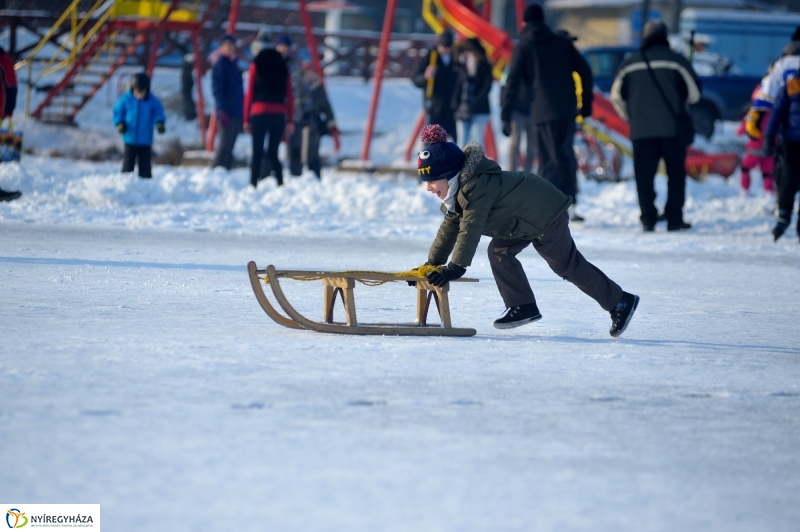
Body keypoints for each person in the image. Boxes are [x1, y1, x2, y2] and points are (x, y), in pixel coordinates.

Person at [416, 124, 640, 337]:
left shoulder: (476, 188)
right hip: (520, 220)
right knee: (499, 252)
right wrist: (433, 263)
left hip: (545, 212)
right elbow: (450, 227)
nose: (428, 187)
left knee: (566, 265)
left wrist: (456, 267)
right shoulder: (459, 192)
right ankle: (522, 306)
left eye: (433, 180)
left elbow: (470, 228)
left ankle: (620, 302)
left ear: (451, 174)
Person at [500, 4, 593, 221]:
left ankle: (551, 208)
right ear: (543, 21)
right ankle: (571, 204)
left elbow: (511, 82)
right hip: (567, 109)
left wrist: (506, 114)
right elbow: (585, 70)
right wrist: (585, 104)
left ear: (524, 23)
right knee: (566, 155)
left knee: (548, 159)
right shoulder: (562, 43)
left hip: (542, 110)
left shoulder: (524, 46)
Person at [610, 20, 701, 232]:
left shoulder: (630, 63)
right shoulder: (676, 61)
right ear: (665, 36)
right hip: (672, 131)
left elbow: (616, 96)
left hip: (641, 131)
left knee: (644, 177)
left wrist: (630, 116)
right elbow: (695, 95)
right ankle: (674, 219)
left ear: (645, 37)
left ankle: (648, 219)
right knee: (676, 176)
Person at [244, 31, 294, 188]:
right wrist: (290, 120)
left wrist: (246, 118)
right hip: (279, 114)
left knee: (257, 151)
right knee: (273, 152)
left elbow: (250, 93)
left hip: (260, 111)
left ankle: (253, 184)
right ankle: (280, 183)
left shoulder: (255, 63)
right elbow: (290, 96)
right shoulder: (283, 65)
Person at [287, 49, 336, 179]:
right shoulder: (296, 85)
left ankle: (314, 177)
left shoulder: (317, 86)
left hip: (313, 125)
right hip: (297, 122)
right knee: (295, 150)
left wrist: (332, 124)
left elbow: (326, 106)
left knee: (312, 153)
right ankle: (295, 176)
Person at [764, 70, 800, 242]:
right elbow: (777, 111)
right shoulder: (792, 85)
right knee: (787, 182)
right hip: (791, 144)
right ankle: (784, 216)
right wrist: (769, 135)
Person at [112, 73, 166, 179]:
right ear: (133, 89)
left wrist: (159, 122)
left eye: (142, 92)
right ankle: (126, 182)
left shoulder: (152, 101)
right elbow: (117, 113)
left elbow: (158, 113)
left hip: (145, 139)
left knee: (145, 165)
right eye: (137, 92)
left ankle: (146, 184)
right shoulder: (125, 100)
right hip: (130, 139)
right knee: (128, 163)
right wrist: (119, 124)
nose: (139, 94)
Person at [412, 30, 459, 142]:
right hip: (435, 106)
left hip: (453, 106)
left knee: (457, 141)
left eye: (448, 47)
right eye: (444, 47)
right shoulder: (430, 57)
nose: (446, 50)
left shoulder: (456, 58)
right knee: (433, 140)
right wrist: (425, 76)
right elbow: (415, 78)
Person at [736, 64, 776, 196]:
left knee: (745, 168)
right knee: (767, 173)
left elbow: (742, 129)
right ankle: (768, 193)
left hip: (753, 148)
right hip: (769, 148)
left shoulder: (754, 112)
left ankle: (744, 191)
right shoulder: (775, 113)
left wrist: (740, 131)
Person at [452, 37, 493, 148]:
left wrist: (475, 103)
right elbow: (458, 88)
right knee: (462, 141)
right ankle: (461, 165)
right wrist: (455, 105)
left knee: (477, 141)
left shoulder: (484, 66)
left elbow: (486, 87)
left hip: (480, 109)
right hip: (462, 110)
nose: (466, 54)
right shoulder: (461, 66)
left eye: (468, 50)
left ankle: (476, 165)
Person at [211, 34, 244, 170]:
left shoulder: (234, 65)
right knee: (224, 145)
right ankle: (217, 171)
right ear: (221, 48)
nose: (229, 49)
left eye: (232, 46)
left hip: (236, 110)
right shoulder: (220, 64)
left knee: (231, 144)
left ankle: (226, 172)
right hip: (226, 110)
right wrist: (222, 109)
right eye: (226, 46)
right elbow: (218, 89)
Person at [501, 68, 535, 173]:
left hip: (532, 111)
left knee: (532, 148)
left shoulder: (533, 67)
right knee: (515, 144)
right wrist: (505, 113)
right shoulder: (510, 69)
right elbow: (504, 90)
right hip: (516, 111)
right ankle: (512, 174)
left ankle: (527, 176)